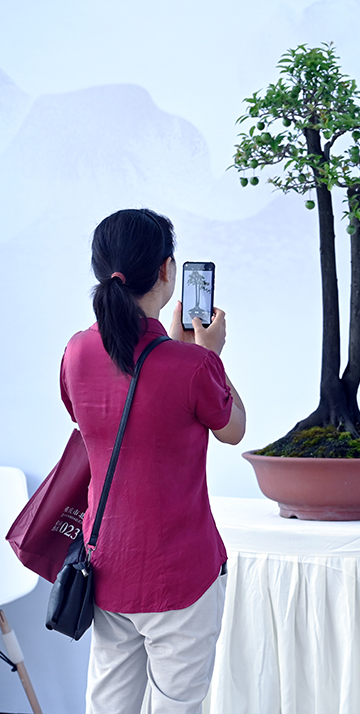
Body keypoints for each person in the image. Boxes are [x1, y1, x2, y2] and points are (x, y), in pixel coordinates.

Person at [59, 208, 246, 714]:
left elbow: (89, 417)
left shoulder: (76, 352)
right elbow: (234, 431)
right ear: (167, 271)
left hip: (105, 566)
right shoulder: (193, 366)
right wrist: (210, 356)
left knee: (107, 706)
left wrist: (181, 352)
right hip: (180, 574)